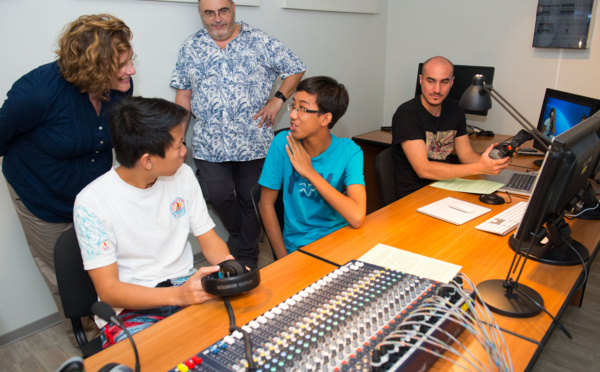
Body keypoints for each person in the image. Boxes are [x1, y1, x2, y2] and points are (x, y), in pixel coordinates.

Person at [0, 14, 135, 341]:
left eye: (131, 61)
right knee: (67, 274)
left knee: (105, 263)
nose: (130, 71)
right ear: (93, 66)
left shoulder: (119, 87)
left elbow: (121, 133)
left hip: (92, 195)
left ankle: (121, 326)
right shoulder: (36, 93)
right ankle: (93, 337)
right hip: (42, 197)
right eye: (122, 64)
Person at [74, 96, 234, 348]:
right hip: (130, 307)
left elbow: (209, 239)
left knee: (238, 336)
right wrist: (178, 296)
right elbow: (109, 290)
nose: (185, 152)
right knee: (160, 357)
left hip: (185, 284)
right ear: (147, 160)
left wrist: (229, 266)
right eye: (179, 146)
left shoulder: (182, 175)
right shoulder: (92, 203)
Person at [170, 0, 306, 269]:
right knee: (216, 195)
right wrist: (178, 139)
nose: (217, 19)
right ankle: (240, 236)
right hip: (210, 144)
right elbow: (183, 95)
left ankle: (247, 257)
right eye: (209, 13)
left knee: (250, 200)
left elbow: (296, 66)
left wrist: (278, 99)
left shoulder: (259, 40)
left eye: (223, 11)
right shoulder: (191, 47)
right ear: (201, 14)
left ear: (233, 9)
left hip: (253, 142)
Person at [258, 76, 366, 258]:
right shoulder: (281, 144)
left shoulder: (350, 151)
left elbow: (356, 217)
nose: (292, 115)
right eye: (293, 106)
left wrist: (309, 172)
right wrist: (283, 260)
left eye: (303, 109)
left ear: (325, 119)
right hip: (301, 247)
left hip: (344, 240)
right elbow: (265, 204)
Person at [391, 56, 510, 199]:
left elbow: (466, 155)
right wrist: (478, 167)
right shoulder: (407, 114)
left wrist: (491, 161)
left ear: (452, 82)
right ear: (421, 79)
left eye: (444, 82)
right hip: (415, 195)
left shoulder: (455, 109)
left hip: (446, 187)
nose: (437, 89)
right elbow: (424, 169)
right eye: (431, 81)